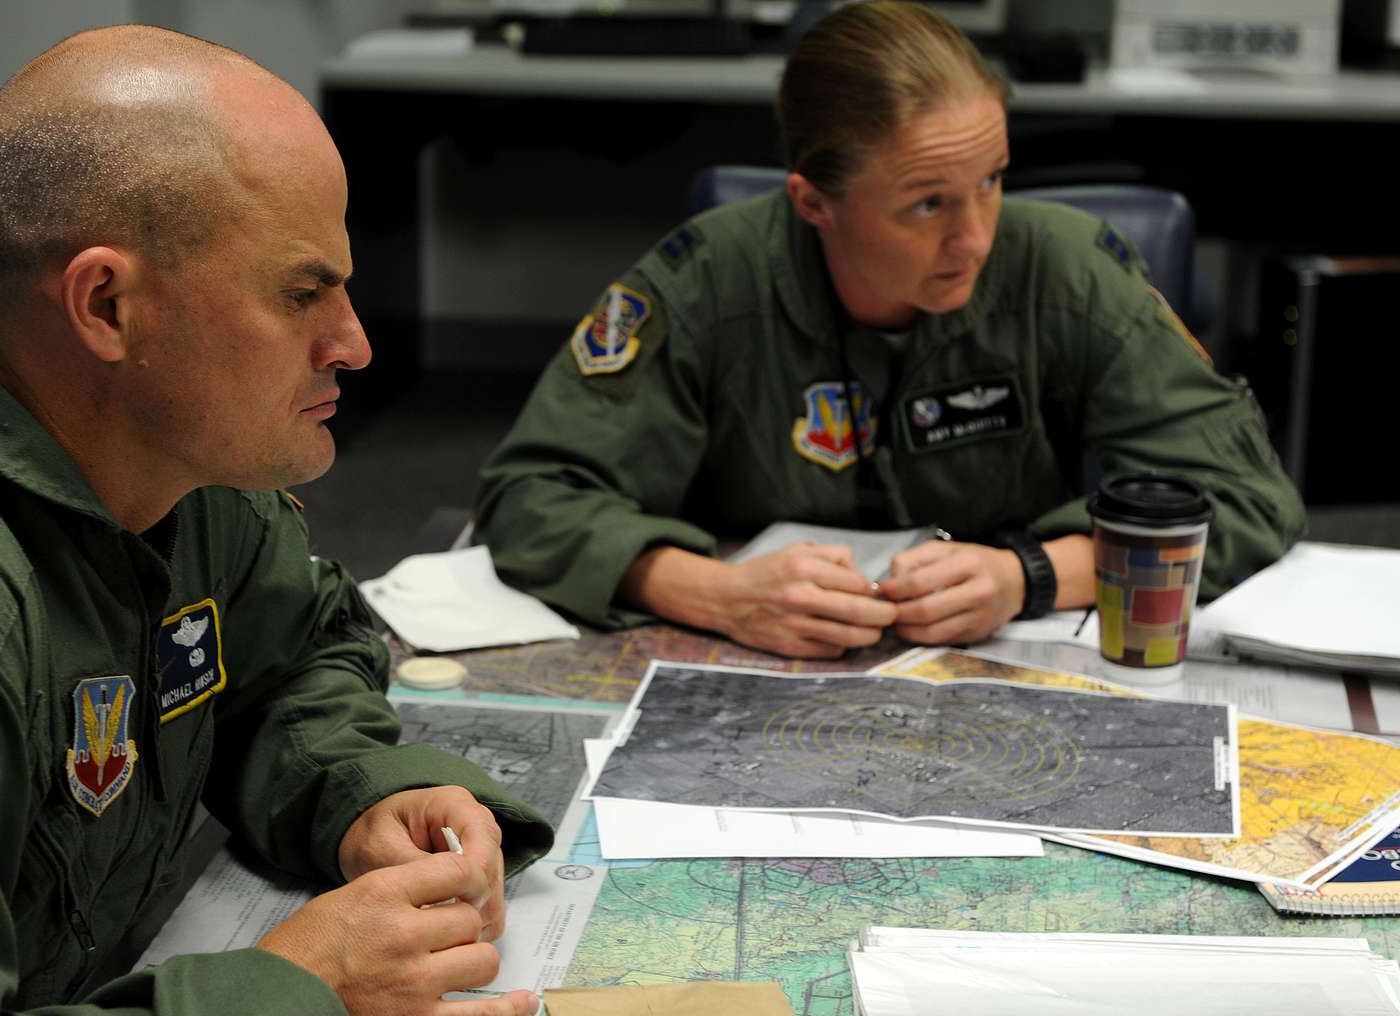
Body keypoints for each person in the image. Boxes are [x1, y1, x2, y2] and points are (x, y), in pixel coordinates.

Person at [0, 26, 552, 1016]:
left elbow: (280, 666)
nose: (354, 343)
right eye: (300, 294)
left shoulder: (162, 457)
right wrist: (302, 1002)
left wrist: (357, 791)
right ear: (107, 305)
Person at [474, 0, 1304, 659]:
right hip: (756, 668)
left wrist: (1035, 574)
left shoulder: (1067, 268)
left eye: (990, 181)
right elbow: (528, 497)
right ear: (813, 203)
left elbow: (1248, 500)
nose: (975, 237)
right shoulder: (706, 281)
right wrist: (708, 590)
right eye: (927, 204)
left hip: (1003, 659)